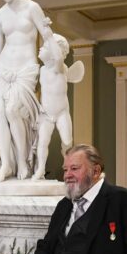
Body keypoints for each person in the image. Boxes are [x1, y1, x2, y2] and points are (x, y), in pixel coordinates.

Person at [0, 0, 57, 182]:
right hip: (3, 68)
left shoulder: (32, 8)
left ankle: (23, 161)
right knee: (0, 114)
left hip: (25, 68)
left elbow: (46, 36)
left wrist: (57, 58)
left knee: (14, 110)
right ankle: (6, 165)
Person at [32, 34, 84, 180]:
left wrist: (48, 33)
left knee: (67, 143)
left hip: (62, 112)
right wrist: (37, 106)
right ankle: (40, 169)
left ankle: (69, 169)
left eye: (45, 46)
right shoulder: (42, 70)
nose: (41, 48)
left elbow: (59, 58)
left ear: (55, 52)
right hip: (46, 113)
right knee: (42, 142)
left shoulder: (60, 68)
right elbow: (36, 91)